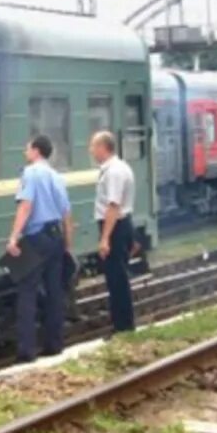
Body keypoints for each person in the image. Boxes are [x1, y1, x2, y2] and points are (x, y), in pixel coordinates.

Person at [6, 135, 75, 363]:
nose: (25, 152)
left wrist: (14, 237)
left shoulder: (30, 173)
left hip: (35, 237)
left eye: (27, 148)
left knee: (27, 291)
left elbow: (26, 206)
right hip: (55, 236)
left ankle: (26, 351)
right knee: (54, 291)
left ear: (36, 151)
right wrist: (67, 245)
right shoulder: (57, 176)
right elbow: (67, 215)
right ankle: (54, 345)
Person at [89, 130, 136, 333]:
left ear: (103, 147)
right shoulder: (117, 168)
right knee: (117, 278)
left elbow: (113, 206)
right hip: (119, 226)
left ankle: (123, 327)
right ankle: (122, 324)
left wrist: (105, 238)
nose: (91, 150)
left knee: (117, 279)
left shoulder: (114, 171)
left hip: (115, 227)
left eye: (93, 146)